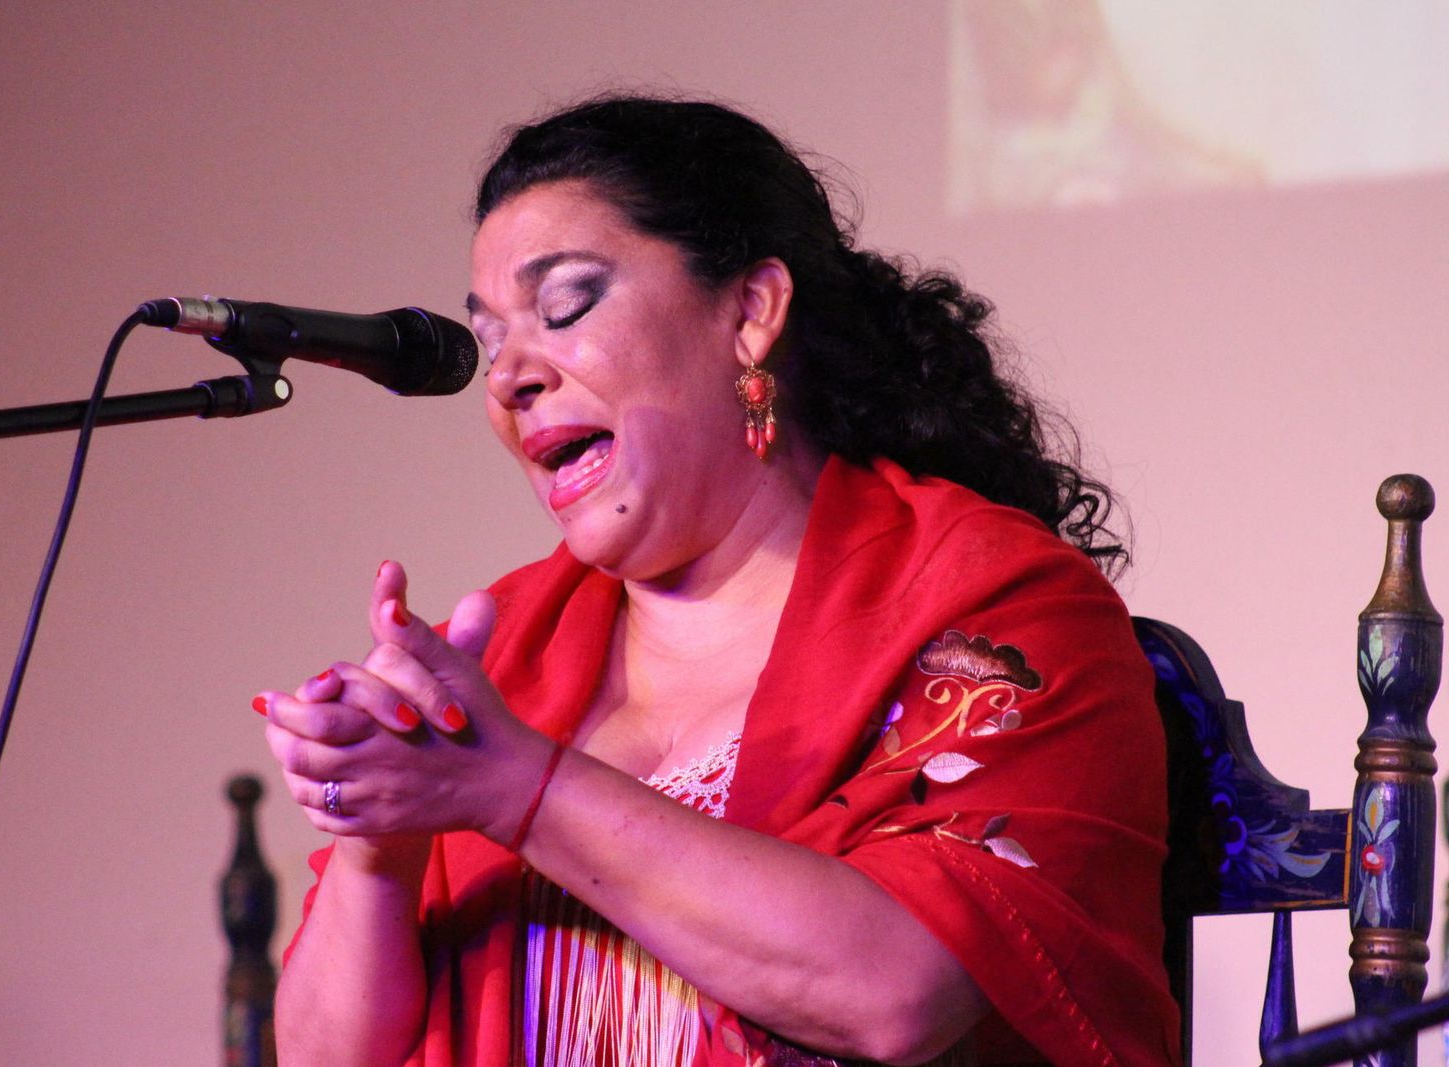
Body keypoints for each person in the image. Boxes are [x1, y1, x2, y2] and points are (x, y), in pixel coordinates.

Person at [256, 95, 1179, 1067]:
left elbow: (897, 991)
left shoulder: (992, 606)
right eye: (490, 341)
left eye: (564, 306)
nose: (509, 377)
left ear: (748, 312)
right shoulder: (506, 649)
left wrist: (517, 789)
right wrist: (380, 840)